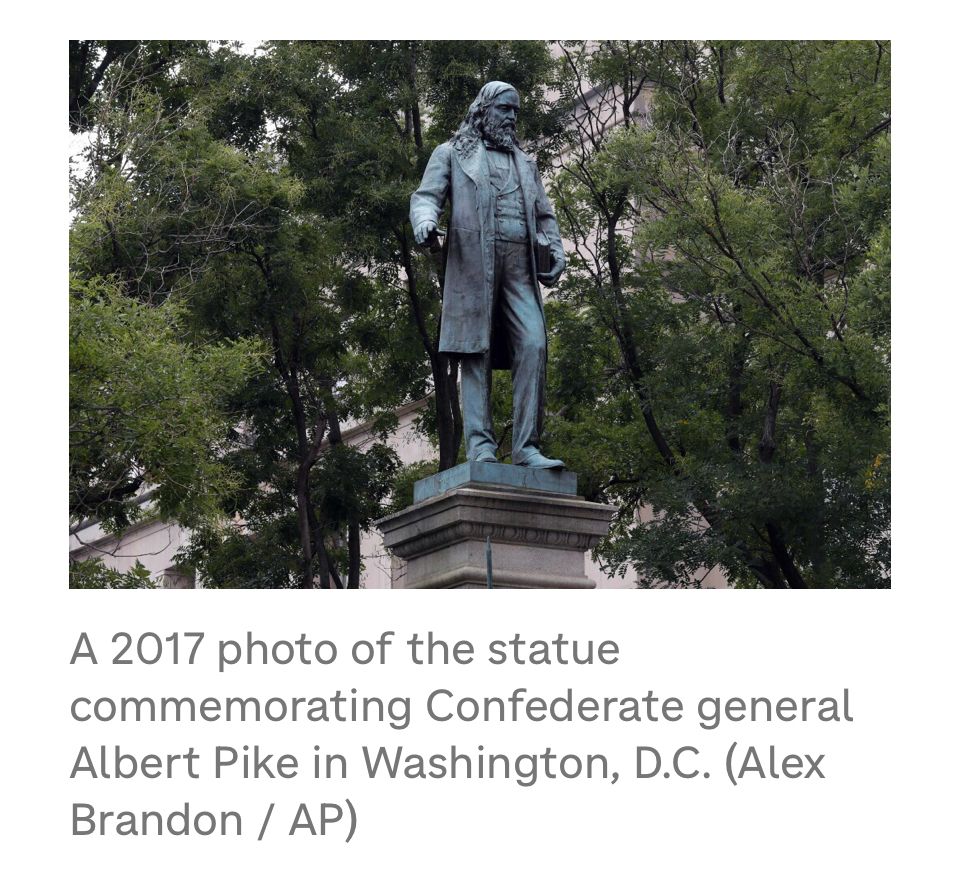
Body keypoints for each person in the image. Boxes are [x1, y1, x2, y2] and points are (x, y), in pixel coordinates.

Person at [410, 80, 566, 470]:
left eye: (515, 111)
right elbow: (426, 198)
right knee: (474, 352)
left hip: (519, 268)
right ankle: (480, 448)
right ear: (483, 111)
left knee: (533, 345)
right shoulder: (451, 154)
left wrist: (556, 249)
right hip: (473, 264)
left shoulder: (525, 163)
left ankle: (526, 447)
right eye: (504, 109)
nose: (512, 117)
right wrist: (425, 223)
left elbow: (544, 215)